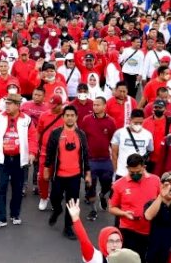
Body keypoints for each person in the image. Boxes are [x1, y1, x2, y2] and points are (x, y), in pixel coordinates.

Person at [0, 94, 37, 229]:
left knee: (17, 189)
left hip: (18, 159)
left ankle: (15, 214)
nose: (7, 106)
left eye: (10, 103)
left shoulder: (26, 119)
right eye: (6, 103)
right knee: (1, 188)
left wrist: (32, 153)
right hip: (2, 159)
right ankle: (0, 218)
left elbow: (33, 137)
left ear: (17, 105)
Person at [44, 105, 91, 240]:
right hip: (58, 175)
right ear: (63, 117)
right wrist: (47, 168)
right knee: (54, 198)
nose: (70, 117)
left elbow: (85, 155)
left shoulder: (81, 134)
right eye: (67, 115)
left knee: (72, 203)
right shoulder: (56, 133)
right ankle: (57, 210)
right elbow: (49, 152)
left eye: (72, 115)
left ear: (76, 117)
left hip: (75, 176)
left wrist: (87, 173)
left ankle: (68, 227)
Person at [109, 153, 160, 259]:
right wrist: (123, 213)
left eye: (138, 172)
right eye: (132, 172)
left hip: (148, 230)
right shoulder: (118, 185)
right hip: (127, 230)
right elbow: (112, 208)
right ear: (127, 168)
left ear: (144, 167)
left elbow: (161, 200)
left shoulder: (155, 180)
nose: (135, 174)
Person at [79, 96, 116, 221]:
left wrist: (115, 159)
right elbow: (82, 139)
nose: (95, 107)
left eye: (98, 105)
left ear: (105, 106)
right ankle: (93, 210)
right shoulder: (86, 120)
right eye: (94, 105)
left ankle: (103, 195)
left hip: (106, 159)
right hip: (91, 160)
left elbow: (113, 141)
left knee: (107, 183)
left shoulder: (111, 121)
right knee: (90, 186)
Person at [36, 94, 65, 211]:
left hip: (61, 153)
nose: (51, 108)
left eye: (54, 106)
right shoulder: (44, 115)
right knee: (43, 177)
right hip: (45, 151)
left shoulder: (65, 116)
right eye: (51, 105)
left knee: (58, 178)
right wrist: (36, 146)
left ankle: (55, 199)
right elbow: (39, 132)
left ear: (60, 105)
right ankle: (44, 197)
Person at [111, 109, 154, 180]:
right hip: (122, 173)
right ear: (130, 120)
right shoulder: (119, 133)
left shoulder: (148, 135)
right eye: (136, 123)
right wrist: (116, 171)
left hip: (139, 173)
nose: (138, 125)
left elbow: (150, 149)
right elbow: (114, 154)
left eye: (140, 123)